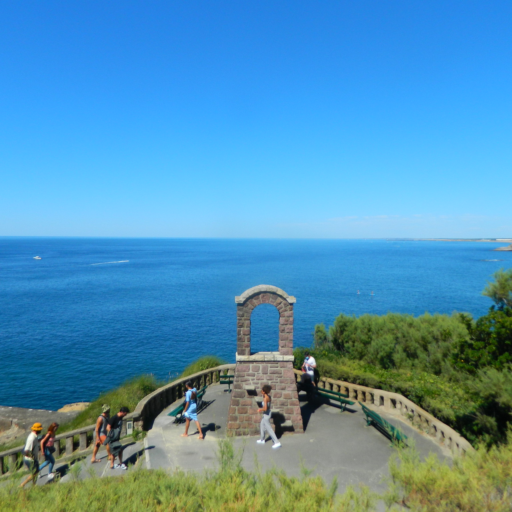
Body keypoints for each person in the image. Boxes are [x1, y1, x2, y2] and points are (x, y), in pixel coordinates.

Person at [256, 384, 281, 449]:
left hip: (266, 415)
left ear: (264, 391)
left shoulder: (265, 398)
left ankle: (277, 442)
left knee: (269, 429)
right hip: (266, 414)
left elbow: (265, 408)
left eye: (262, 390)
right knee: (262, 425)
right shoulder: (267, 396)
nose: (261, 391)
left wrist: (260, 409)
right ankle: (262, 439)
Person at [20, 422, 43, 488]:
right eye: (40, 429)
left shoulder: (34, 436)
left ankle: (34, 485)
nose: (41, 430)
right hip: (30, 459)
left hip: (33, 458)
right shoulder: (31, 438)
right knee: (34, 473)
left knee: (36, 472)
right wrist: (32, 457)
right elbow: (26, 450)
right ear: (37, 430)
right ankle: (22, 484)